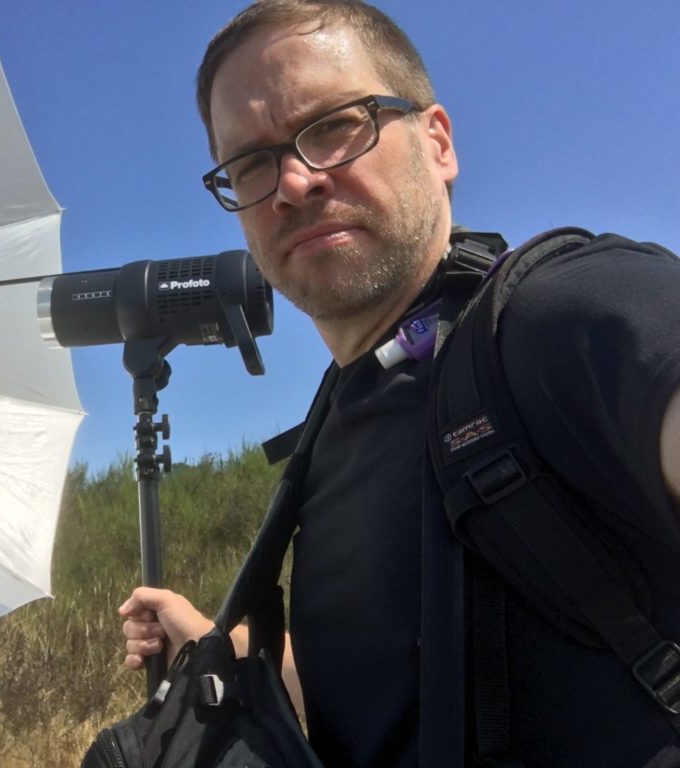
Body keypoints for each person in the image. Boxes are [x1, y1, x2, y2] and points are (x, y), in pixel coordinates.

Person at [117, 1, 680, 766]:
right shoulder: (328, 434)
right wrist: (219, 647)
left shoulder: (558, 317)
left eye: (334, 125)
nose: (291, 182)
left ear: (438, 141)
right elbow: (377, 695)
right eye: (250, 162)